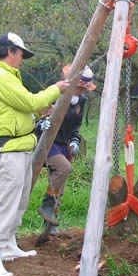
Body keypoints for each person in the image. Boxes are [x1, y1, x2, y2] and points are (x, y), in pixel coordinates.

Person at [0, 32, 70, 276]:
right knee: (4, 204)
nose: (22, 59)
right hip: (8, 150)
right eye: (21, 53)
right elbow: (30, 102)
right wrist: (56, 89)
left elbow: (23, 108)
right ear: (10, 51)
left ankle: (8, 245)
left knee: (18, 202)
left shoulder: (8, 77)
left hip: (19, 148)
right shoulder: (0, 76)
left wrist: (38, 111)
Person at [35, 63, 96, 231]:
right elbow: (36, 114)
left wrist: (75, 140)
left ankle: (50, 222)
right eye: (79, 87)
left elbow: (76, 126)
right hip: (47, 141)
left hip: (63, 144)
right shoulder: (54, 93)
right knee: (64, 167)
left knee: (60, 184)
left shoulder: (81, 101)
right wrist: (41, 123)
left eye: (84, 89)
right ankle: (46, 206)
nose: (81, 91)